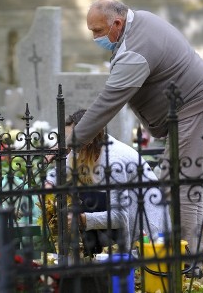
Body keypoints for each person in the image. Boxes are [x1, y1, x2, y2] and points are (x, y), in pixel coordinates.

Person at [70, 0, 203, 276]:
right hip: (190, 109)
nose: (94, 37)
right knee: (175, 182)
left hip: (196, 108)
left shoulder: (136, 49)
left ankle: (186, 264)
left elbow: (108, 104)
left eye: (97, 31)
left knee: (181, 186)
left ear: (116, 24)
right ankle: (176, 255)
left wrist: (70, 143)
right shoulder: (138, 21)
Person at [46, 109, 169, 255]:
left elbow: (120, 216)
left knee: (85, 202)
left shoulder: (113, 161)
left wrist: (82, 219)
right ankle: (91, 257)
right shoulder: (86, 148)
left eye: (71, 140)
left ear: (88, 138)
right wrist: (48, 183)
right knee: (84, 198)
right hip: (119, 214)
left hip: (145, 229)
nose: (67, 146)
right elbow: (61, 171)